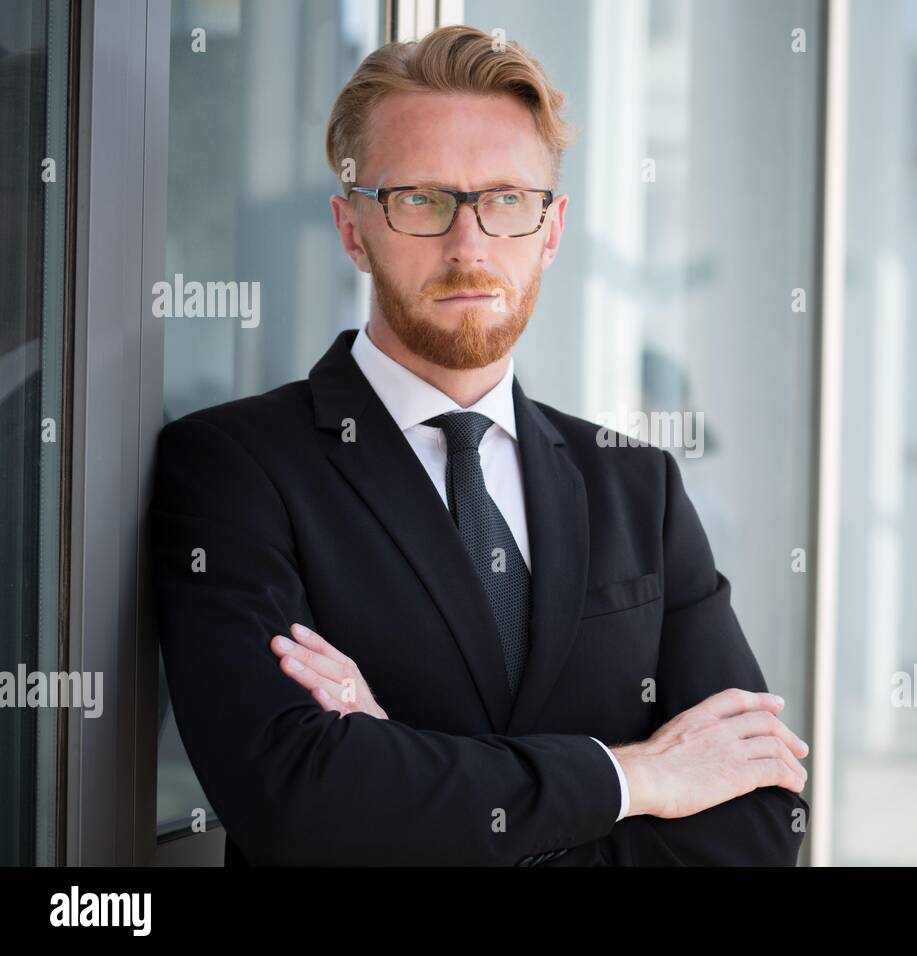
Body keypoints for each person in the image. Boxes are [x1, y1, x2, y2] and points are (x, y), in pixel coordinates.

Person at [149, 24, 808, 866]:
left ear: (551, 228)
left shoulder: (639, 487)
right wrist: (633, 778)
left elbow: (761, 822)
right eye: (421, 199)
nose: (469, 245)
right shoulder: (234, 467)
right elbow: (299, 795)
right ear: (354, 229)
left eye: (504, 200)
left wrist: (409, 783)